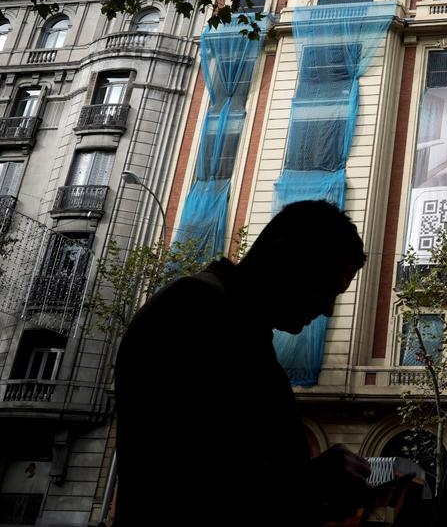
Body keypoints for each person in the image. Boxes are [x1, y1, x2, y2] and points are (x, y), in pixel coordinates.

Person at [114, 200, 371, 526]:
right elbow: (188, 482)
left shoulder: (240, 324)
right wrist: (311, 482)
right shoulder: (195, 310)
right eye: (325, 287)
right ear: (284, 255)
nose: (327, 309)